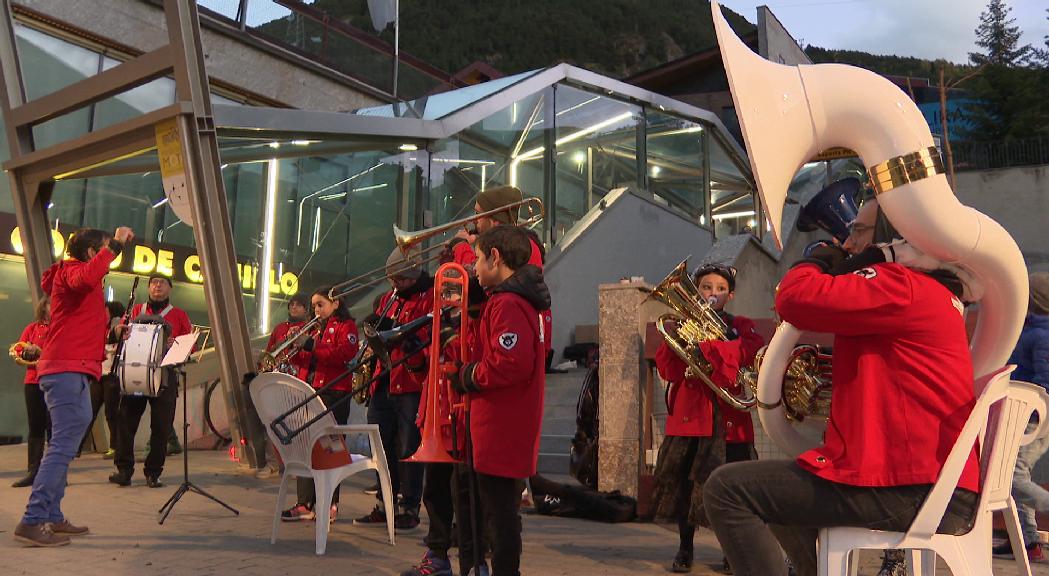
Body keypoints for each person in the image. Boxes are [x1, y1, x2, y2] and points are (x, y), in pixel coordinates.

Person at [702, 240, 981, 576]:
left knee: (726, 490)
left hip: (910, 488)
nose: (849, 242)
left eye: (859, 231)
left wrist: (819, 257)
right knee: (783, 492)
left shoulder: (900, 285)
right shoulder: (938, 296)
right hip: (931, 485)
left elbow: (794, 298)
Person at [15, 226, 133, 547]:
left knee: (63, 445)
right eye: (105, 249)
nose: (110, 254)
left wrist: (112, 334)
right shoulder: (72, 273)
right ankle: (33, 519)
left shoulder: (83, 281)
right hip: (65, 369)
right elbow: (86, 277)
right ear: (92, 252)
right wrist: (117, 244)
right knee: (62, 446)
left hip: (75, 369)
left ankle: (51, 514)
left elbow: (82, 324)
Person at [449, 225, 551, 576]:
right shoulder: (514, 301)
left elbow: (510, 363)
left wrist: (467, 376)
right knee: (500, 512)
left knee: (500, 516)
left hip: (500, 424)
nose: (474, 268)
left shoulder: (507, 303)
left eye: (477, 258)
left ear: (495, 257)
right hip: (507, 421)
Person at [651, 263, 763, 574]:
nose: (712, 293)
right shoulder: (682, 324)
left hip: (729, 421)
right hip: (691, 418)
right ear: (697, 291)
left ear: (731, 295)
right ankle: (685, 548)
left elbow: (746, 352)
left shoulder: (741, 325)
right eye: (706, 287)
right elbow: (669, 370)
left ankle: (732, 551)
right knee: (686, 488)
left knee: (732, 491)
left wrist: (709, 345)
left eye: (720, 289)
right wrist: (685, 341)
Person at [355, 248, 433, 531]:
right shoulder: (389, 298)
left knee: (408, 446)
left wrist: (399, 331)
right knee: (380, 444)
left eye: (401, 279)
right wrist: (373, 329)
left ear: (414, 276)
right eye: (391, 279)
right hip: (383, 377)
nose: (395, 285)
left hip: (411, 382)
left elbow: (428, 336)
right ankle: (383, 501)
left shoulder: (429, 296)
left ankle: (409, 506)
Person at [281, 287, 359, 522]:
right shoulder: (314, 328)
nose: (316, 310)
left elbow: (344, 354)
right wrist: (292, 346)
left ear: (335, 304)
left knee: (331, 448)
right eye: (314, 305)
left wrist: (311, 346)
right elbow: (304, 359)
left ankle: (330, 503)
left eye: (320, 304)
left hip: (334, 393)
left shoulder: (347, 327)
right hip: (310, 392)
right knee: (306, 446)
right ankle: (305, 503)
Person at [109, 274, 192, 489]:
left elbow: (188, 346)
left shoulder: (180, 315)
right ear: (148, 288)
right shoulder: (135, 310)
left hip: (165, 376)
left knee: (161, 427)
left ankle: (153, 473)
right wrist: (118, 331)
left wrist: (177, 344)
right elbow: (120, 335)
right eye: (153, 283)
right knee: (126, 423)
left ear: (170, 289)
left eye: (162, 283)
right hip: (135, 374)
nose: (157, 286)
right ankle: (124, 470)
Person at [992, 272, 1049, 563]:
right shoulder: (1030, 328)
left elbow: (1047, 381)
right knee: (1014, 474)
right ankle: (1027, 542)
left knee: (1013, 477)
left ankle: (1028, 539)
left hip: (1033, 417)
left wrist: (1033, 411)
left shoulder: (1043, 334)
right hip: (1020, 413)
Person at [11, 295, 51, 488]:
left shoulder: (62, 329)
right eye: (51, 304)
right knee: (35, 427)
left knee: (53, 428)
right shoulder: (31, 328)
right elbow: (19, 352)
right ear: (44, 307)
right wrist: (30, 351)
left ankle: (55, 474)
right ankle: (33, 471)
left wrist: (41, 351)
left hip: (54, 382)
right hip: (33, 382)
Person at [80, 300, 125, 460]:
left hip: (112, 376)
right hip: (98, 375)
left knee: (111, 413)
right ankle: (77, 447)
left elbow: (113, 341)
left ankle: (115, 446)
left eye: (104, 310)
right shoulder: (98, 327)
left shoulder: (117, 328)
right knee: (89, 411)